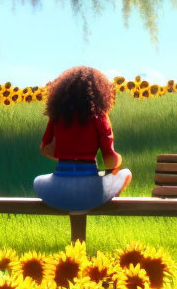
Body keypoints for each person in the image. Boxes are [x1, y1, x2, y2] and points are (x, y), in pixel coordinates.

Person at [33, 66, 132, 213]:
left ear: (61, 93)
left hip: (59, 184)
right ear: (100, 92)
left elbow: (45, 148)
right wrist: (119, 159)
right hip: (89, 183)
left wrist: (68, 154)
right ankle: (105, 197)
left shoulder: (57, 117)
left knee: (39, 180)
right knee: (126, 174)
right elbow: (110, 160)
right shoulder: (100, 117)